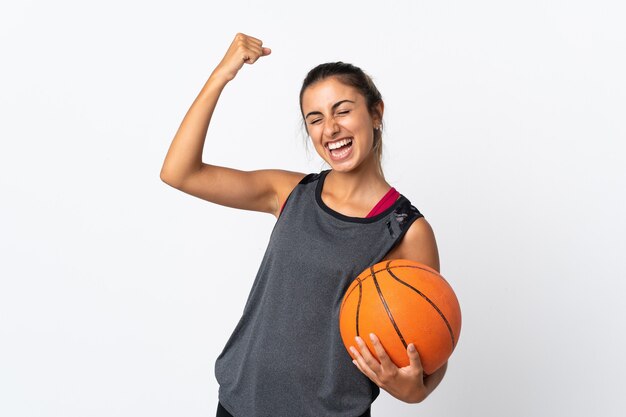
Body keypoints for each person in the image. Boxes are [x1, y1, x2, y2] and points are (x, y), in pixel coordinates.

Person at [160, 33, 448, 417]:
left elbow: (432, 344)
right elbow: (179, 173)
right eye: (315, 118)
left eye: (342, 110)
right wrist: (221, 75)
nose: (329, 129)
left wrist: (414, 390)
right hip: (238, 406)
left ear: (376, 113)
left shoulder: (407, 231)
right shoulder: (289, 193)